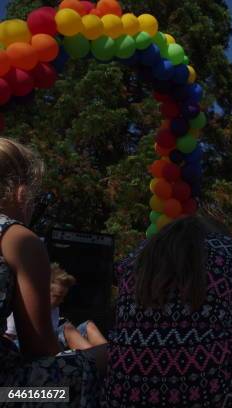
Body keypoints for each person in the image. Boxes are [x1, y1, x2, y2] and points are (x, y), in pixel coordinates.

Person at [105, 215, 232, 407]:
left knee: (69, 387)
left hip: (125, 394)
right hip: (214, 394)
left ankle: (62, 394)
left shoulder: (134, 259)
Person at [0, 137, 102, 406]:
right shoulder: (17, 238)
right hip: (5, 395)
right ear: (21, 193)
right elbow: (40, 351)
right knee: (107, 360)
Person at [5, 263, 107, 351]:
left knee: (88, 326)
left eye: (63, 297)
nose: (61, 301)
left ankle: (108, 359)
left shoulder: (54, 308)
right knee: (68, 329)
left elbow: (50, 336)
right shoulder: (22, 308)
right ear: (42, 291)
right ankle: (93, 363)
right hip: (23, 347)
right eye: (58, 296)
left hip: (48, 343)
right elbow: (8, 339)